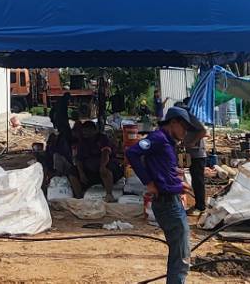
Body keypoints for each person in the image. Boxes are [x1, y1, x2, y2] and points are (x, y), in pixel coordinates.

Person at [126, 105, 205, 284]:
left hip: (171, 200)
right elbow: (132, 152)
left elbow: (161, 168)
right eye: (184, 127)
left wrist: (175, 180)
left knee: (179, 253)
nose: (185, 132)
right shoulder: (158, 139)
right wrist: (149, 182)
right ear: (173, 122)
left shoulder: (167, 143)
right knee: (181, 256)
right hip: (168, 203)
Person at [68, 120, 123, 202]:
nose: (85, 133)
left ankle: (109, 194)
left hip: (106, 166)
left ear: (94, 130)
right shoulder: (82, 142)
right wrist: (81, 173)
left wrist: (102, 166)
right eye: (84, 131)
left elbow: (106, 153)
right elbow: (79, 159)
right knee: (72, 171)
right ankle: (79, 197)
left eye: (88, 130)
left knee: (107, 168)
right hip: (90, 170)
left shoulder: (102, 138)